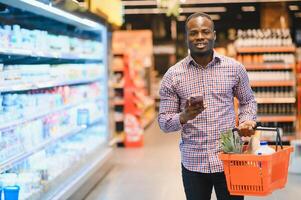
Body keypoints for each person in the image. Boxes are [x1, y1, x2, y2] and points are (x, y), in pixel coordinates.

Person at [158, 12, 257, 200]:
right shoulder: (173, 75)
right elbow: (163, 122)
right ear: (187, 37)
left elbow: (248, 101)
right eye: (193, 33)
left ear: (214, 34)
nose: (200, 37)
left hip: (230, 155)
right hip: (194, 161)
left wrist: (247, 120)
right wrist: (183, 116)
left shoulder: (234, 68)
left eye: (205, 31)